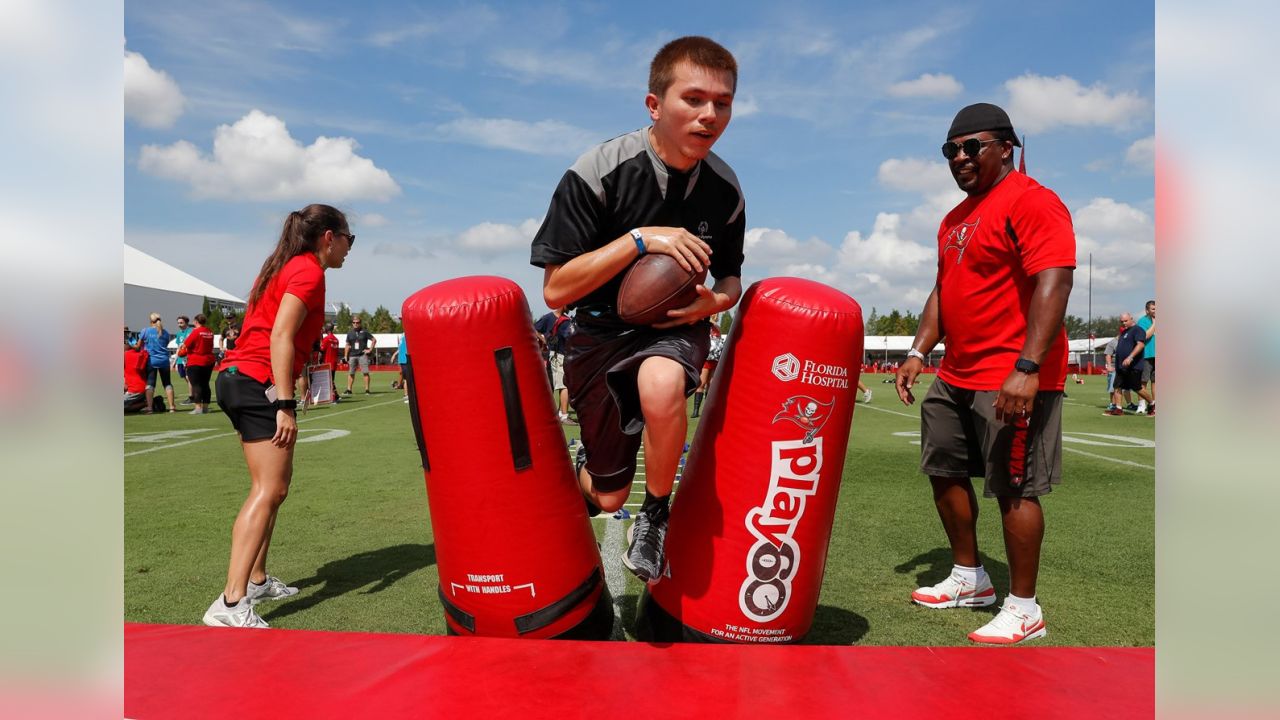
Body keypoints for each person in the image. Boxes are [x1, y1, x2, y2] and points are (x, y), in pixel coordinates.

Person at [530, 36, 745, 583]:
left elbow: (731, 276)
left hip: (674, 326)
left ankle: (654, 515)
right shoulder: (599, 170)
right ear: (654, 105)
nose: (709, 114)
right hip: (598, 330)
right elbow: (555, 291)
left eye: (722, 102)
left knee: (661, 384)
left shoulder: (725, 188)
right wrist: (640, 240)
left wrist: (715, 300)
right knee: (606, 497)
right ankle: (592, 467)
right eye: (693, 99)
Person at [895, 103, 1075, 645]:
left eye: (972, 146)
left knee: (1013, 487)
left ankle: (1025, 608)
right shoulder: (954, 219)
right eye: (950, 149)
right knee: (943, 469)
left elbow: (1055, 283)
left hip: (1011, 373)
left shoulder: (1032, 201)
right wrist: (919, 351)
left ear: (1006, 147)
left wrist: (1027, 368)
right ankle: (970, 578)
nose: (960, 158)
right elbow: (942, 291)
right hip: (956, 371)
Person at [203, 203, 353, 628]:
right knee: (268, 490)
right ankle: (231, 604)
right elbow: (282, 335)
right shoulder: (308, 271)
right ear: (329, 237)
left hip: (237, 377)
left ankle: (255, 579)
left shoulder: (284, 266)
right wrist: (286, 404)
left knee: (272, 489)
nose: (349, 249)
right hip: (257, 382)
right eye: (349, 239)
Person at [534, 307, 577, 424]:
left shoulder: (565, 319)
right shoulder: (552, 318)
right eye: (569, 305)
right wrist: (543, 340)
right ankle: (564, 415)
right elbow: (534, 329)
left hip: (558, 355)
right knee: (564, 386)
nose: (571, 307)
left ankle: (557, 412)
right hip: (558, 356)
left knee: (556, 384)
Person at [1108, 312, 1151, 416]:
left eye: (1126, 321)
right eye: (1122, 321)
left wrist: (1130, 357)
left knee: (1137, 387)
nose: (1123, 323)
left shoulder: (1138, 330)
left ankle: (1153, 404)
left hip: (1134, 365)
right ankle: (1118, 409)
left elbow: (1140, 345)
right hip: (1121, 366)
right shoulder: (1124, 332)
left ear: (1131, 319)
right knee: (1117, 386)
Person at [178, 314, 217, 414]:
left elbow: (185, 345)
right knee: (205, 384)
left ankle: (198, 407)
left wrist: (181, 352)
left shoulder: (196, 332)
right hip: (209, 360)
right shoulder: (210, 331)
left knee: (196, 385)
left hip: (196, 360)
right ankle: (205, 407)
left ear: (196, 322)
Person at [139, 312, 176, 414]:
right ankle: (172, 407)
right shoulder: (165, 332)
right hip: (164, 360)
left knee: (150, 384)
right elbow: (165, 344)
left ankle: (150, 408)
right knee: (167, 383)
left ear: (151, 321)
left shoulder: (145, 331)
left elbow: (139, 345)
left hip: (151, 360)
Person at [691, 314, 724, 418]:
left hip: (715, 359)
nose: (717, 316)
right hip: (706, 359)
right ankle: (696, 410)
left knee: (711, 383)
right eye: (716, 314)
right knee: (702, 382)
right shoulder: (707, 325)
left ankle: (706, 409)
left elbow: (719, 338)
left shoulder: (717, 328)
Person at [344, 316, 375, 395]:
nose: (355, 324)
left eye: (357, 322)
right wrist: (345, 355)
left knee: (365, 372)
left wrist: (370, 350)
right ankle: (349, 390)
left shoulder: (364, 332)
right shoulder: (350, 333)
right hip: (352, 355)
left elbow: (374, 340)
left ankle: (367, 390)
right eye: (354, 322)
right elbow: (347, 345)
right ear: (352, 323)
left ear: (360, 323)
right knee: (351, 373)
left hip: (362, 355)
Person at [1136, 300, 1156, 416]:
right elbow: (1145, 335)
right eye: (1153, 309)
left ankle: (1154, 404)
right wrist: (1154, 324)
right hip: (1146, 355)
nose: (1156, 311)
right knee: (1143, 381)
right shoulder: (1142, 321)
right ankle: (1141, 404)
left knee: (1155, 381)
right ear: (1147, 310)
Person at [124, 338, 149, 413]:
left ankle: (147, 403)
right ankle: (147, 402)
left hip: (134, 390)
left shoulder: (125, 355)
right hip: (143, 388)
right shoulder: (143, 353)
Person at [173, 315, 194, 404]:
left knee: (189, 378)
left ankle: (192, 397)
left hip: (189, 359)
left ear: (186, 323)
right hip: (180, 360)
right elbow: (178, 347)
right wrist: (174, 361)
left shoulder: (191, 331)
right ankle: (194, 394)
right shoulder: (178, 334)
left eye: (181, 323)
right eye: (178, 323)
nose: (179, 325)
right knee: (185, 378)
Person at [1103, 324, 1122, 412]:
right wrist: (1109, 366)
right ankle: (1112, 404)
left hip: (1124, 368)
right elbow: (1108, 355)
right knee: (1112, 387)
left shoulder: (1127, 341)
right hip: (1114, 368)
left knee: (1124, 388)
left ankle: (1120, 405)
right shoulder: (1113, 342)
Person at [320, 322, 340, 404]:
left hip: (328, 362)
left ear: (327, 329)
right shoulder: (336, 339)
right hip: (334, 362)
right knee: (332, 380)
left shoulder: (326, 339)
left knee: (329, 381)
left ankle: (333, 398)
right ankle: (336, 395)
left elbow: (322, 349)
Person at [397, 332, 409, 404]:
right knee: (407, 379)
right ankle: (406, 395)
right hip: (406, 359)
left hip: (402, 359)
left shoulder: (402, 335)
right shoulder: (407, 335)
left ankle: (406, 395)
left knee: (406, 379)